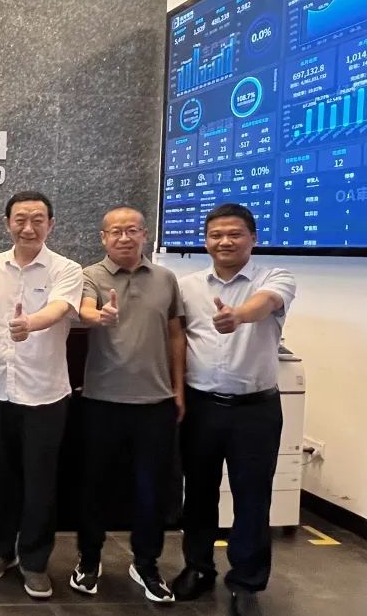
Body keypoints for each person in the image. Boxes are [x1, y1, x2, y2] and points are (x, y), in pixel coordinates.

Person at [171, 204, 296, 616]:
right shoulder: (187, 286)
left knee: (252, 497)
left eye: (235, 234)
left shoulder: (275, 278)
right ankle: (198, 567)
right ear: (205, 241)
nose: (224, 241)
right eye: (216, 235)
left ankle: (246, 582)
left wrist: (237, 316)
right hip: (202, 406)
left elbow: (264, 304)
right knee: (198, 493)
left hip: (255, 410)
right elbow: (178, 340)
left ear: (253, 238)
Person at [0, 190, 82, 599]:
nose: (28, 227)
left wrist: (30, 323)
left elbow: (60, 308)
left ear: (50, 225)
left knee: (40, 483)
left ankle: (34, 561)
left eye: (37, 219)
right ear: (7, 224)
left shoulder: (66, 269)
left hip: (44, 395)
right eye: (20, 219)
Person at [70, 207, 184, 603]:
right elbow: (85, 309)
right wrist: (97, 315)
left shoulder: (166, 279)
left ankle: (147, 563)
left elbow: (176, 334)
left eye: (131, 230)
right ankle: (89, 558)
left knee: (152, 490)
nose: (123, 237)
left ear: (144, 234)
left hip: (155, 402)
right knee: (93, 487)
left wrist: (179, 389)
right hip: (101, 401)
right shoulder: (90, 275)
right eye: (115, 231)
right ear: (103, 237)